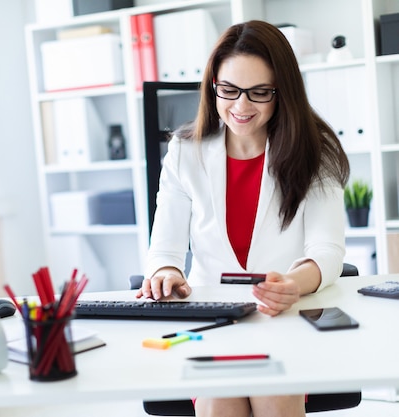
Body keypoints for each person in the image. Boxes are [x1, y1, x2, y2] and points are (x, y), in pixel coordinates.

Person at [135, 20, 350, 417]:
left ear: (282, 92)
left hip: (284, 320)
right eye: (229, 90)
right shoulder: (185, 153)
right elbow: (163, 249)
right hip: (212, 324)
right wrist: (165, 271)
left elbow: (327, 250)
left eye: (259, 93)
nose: (241, 106)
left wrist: (293, 283)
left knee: (275, 396)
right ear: (213, 85)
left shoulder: (314, 153)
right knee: (221, 400)